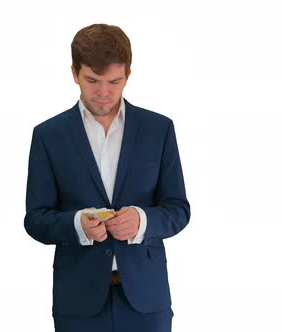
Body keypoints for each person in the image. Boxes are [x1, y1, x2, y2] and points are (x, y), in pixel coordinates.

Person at [24, 23, 190, 332]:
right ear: (75, 73)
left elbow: (178, 210)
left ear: (128, 74)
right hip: (78, 303)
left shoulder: (159, 130)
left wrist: (141, 221)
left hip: (147, 301)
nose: (103, 93)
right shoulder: (48, 136)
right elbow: (35, 219)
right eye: (92, 80)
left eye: (114, 81)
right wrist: (77, 225)